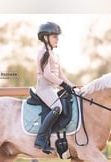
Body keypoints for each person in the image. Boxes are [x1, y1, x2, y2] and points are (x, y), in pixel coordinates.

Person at [34, 22, 75, 154]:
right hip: (44, 88)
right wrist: (62, 84)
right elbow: (47, 74)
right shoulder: (43, 52)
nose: (57, 39)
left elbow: (60, 74)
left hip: (52, 88)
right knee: (57, 107)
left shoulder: (55, 54)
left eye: (58, 37)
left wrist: (71, 86)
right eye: (54, 37)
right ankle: (40, 139)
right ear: (46, 38)